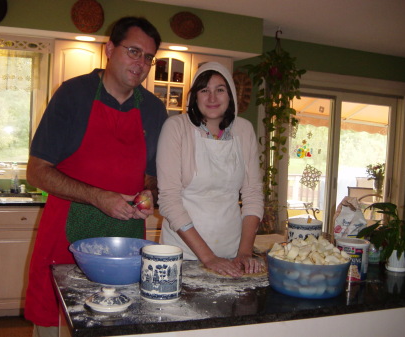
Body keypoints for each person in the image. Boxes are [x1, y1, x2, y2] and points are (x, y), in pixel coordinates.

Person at [24, 17, 167, 336]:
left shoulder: (154, 111)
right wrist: (98, 196)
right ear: (110, 49)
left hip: (126, 249)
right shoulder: (73, 95)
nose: (141, 63)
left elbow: (151, 178)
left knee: (118, 325)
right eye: (133, 51)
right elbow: (37, 171)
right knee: (57, 325)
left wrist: (148, 193)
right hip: (65, 241)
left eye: (148, 57)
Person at [157, 62, 264, 278]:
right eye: (204, 90)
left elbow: (252, 194)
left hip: (232, 255)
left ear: (230, 95)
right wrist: (208, 258)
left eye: (220, 90)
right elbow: (169, 200)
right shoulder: (176, 127)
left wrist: (244, 252)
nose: (212, 98)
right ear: (194, 96)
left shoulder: (243, 130)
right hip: (182, 255)